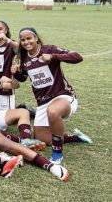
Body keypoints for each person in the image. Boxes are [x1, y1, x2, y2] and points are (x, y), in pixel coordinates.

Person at [13, 27, 92, 164]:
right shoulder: (24, 57)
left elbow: (77, 57)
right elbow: (23, 78)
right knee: (45, 139)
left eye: (29, 38)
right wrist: (16, 73)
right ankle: (74, 136)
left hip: (63, 97)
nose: (26, 42)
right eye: (23, 40)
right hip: (43, 102)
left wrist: (53, 57)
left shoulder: (49, 49)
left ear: (36, 38)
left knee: (53, 111)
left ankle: (57, 154)